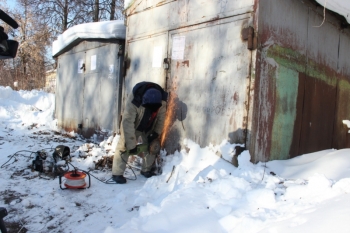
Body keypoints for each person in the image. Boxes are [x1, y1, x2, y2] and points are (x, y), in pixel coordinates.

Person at [112, 81, 168, 184]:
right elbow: (128, 122)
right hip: (135, 123)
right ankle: (117, 173)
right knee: (124, 146)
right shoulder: (134, 101)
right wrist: (131, 143)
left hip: (150, 123)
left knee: (152, 145)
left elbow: (161, 118)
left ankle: (146, 170)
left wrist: (156, 133)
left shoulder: (162, 102)